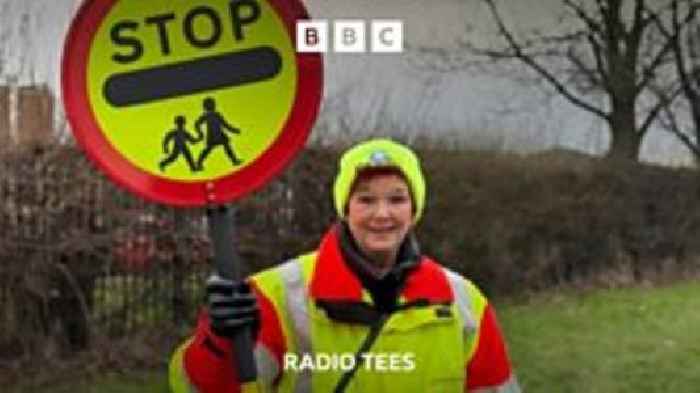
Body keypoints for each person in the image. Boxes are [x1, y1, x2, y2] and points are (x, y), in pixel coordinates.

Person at [170, 138, 521, 393]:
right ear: (345, 209)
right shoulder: (274, 295)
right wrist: (218, 341)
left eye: (397, 198)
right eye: (365, 199)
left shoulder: (462, 301)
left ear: (414, 211)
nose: (381, 213)